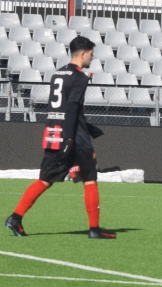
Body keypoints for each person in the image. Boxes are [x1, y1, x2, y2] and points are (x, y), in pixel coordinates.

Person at [6, 36, 115, 239]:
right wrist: (71, 138)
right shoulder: (79, 77)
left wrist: (85, 127)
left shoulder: (58, 74)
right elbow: (72, 108)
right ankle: (94, 230)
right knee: (90, 180)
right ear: (83, 54)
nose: (92, 57)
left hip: (54, 133)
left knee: (45, 179)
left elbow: (62, 104)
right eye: (91, 54)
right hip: (74, 137)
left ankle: (15, 217)